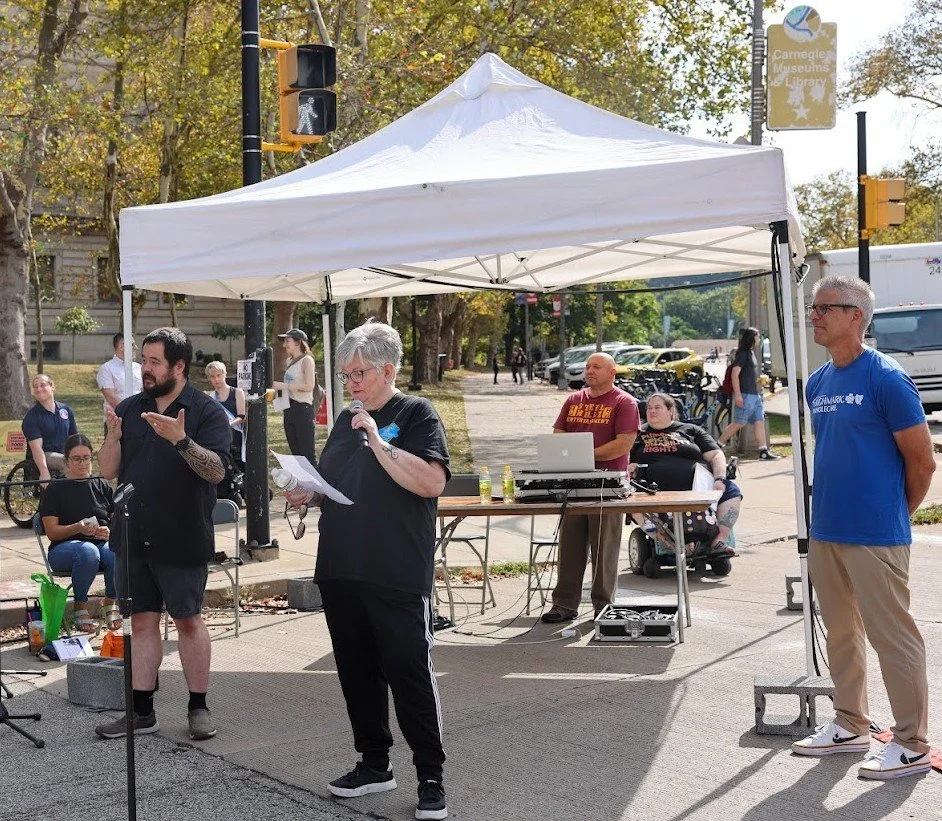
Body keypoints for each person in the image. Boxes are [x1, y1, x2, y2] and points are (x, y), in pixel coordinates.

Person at [284, 319, 451, 821]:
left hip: (395, 569)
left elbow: (431, 483)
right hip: (341, 567)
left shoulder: (417, 414)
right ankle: (374, 763)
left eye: (358, 373)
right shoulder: (344, 419)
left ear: (388, 369)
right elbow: (334, 481)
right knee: (357, 673)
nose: (351, 384)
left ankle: (430, 776)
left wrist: (379, 442)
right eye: (345, 375)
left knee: (409, 675)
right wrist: (306, 491)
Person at [791, 275, 936, 780]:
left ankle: (912, 743)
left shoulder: (887, 378)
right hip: (827, 527)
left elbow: (922, 462)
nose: (814, 316)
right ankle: (850, 724)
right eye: (813, 308)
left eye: (824, 308)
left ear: (856, 315)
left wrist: (896, 513)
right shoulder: (819, 381)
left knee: (892, 637)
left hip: (876, 533)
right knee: (842, 634)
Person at [94, 327, 232, 742]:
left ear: (178, 366)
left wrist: (182, 441)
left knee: (189, 621)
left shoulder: (205, 411)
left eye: (155, 362)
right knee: (141, 622)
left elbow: (217, 471)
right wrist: (113, 438)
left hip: (182, 533)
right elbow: (107, 470)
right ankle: (141, 711)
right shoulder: (132, 407)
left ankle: (198, 707)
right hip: (133, 533)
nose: (145, 370)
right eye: (144, 361)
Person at [540, 352, 640, 624]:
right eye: (587, 367)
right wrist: (570, 458)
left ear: (612, 373)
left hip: (607, 485)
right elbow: (558, 437)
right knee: (569, 547)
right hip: (572, 485)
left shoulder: (624, 402)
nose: (590, 371)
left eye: (597, 366)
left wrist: (586, 456)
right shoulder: (573, 400)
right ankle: (564, 604)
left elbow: (624, 443)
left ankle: (603, 606)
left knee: (603, 549)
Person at [628, 393, 740, 556]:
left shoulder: (691, 430)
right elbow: (622, 459)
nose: (651, 411)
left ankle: (719, 540)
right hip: (651, 489)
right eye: (649, 408)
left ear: (670, 410)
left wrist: (720, 478)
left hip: (695, 486)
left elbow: (716, 455)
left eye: (657, 407)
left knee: (731, 490)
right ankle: (664, 542)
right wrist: (629, 467)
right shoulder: (637, 434)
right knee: (629, 496)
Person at [38, 433, 116, 633]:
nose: (83, 463)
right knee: (88, 551)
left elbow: (120, 522)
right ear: (66, 460)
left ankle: (110, 601)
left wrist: (110, 532)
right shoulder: (56, 489)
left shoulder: (101, 485)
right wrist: (77, 527)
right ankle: (80, 606)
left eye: (86, 458)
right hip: (64, 550)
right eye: (76, 459)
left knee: (115, 549)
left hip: (99, 544)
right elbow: (52, 532)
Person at [716, 327, 779, 460]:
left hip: (755, 394)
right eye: (757, 336)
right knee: (739, 422)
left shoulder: (751, 353)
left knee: (759, 421)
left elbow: (746, 374)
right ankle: (717, 446)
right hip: (745, 394)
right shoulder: (743, 353)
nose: (759, 339)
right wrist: (738, 395)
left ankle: (763, 451)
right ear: (751, 338)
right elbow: (735, 374)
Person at [271, 328, 318, 466]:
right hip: (289, 409)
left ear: (298, 342)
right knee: (296, 454)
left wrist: (284, 386)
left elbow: (309, 386)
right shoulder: (288, 361)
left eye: (288, 341)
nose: (285, 345)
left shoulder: (307, 360)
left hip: (303, 409)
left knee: (307, 454)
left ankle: (317, 486)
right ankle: (303, 486)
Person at [22, 374, 78, 482]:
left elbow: (74, 439)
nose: (38, 389)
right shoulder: (32, 417)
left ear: (52, 386)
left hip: (65, 453)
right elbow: (36, 449)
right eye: (35, 387)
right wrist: (44, 472)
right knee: (66, 462)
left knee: (82, 460)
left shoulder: (66, 410)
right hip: (44, 455)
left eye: (42, 385)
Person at [204, 361, 246, 467]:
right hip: (218, 438)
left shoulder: (237, 392)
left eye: (219, 375)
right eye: (213, 377)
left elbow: (242, 416)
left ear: (225, 374)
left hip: (235, 437)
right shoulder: (209, 397)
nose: (216, 379)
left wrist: (228, 424)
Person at [97, 332, 143, 428]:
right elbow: (111, 397)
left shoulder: (139, 368)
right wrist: (131, 412)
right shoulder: (107, 368)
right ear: (122, 347)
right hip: (116, 422)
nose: (136, 348)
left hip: (139, 420)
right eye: (132, 344)